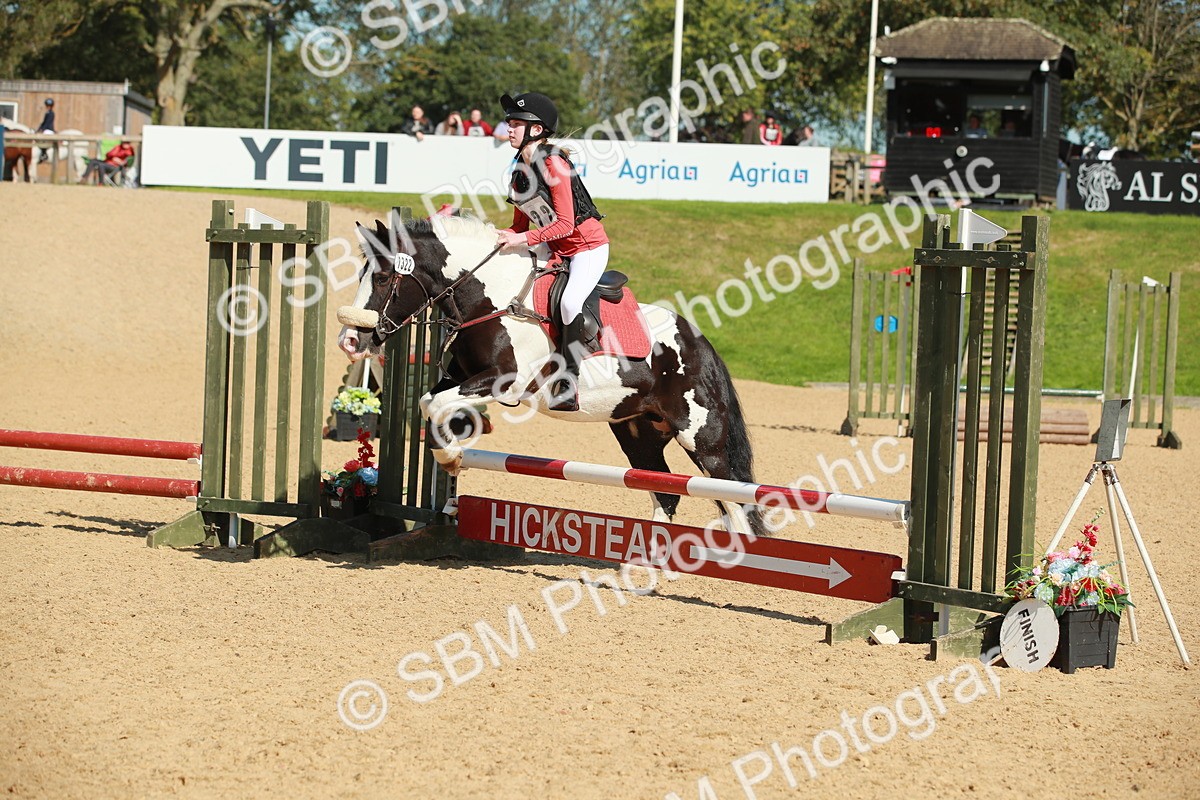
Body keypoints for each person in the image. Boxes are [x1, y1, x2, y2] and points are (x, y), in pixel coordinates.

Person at [494, 92, 608, 412]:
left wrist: (523, 239)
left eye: (517, 123)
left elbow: (567, 225)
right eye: (510, 123)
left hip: (586, 247)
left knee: (571, 302)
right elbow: (520, 223)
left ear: (537, 129)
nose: (510, 128)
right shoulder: (519, 168)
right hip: (554, 246)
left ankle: (568, 382)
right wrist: (504, 237)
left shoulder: (553, 162)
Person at [35, 98, 55, 163]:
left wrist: (43, 129)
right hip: (46, 129)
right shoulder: (47, 113)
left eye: (49, 105)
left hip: (49, 130)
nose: (48, 107)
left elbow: (48, 123)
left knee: (43, 139)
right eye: (47, 105)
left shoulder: (51, 113)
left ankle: (44, 154)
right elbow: (43, 122)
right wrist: (38, 129)